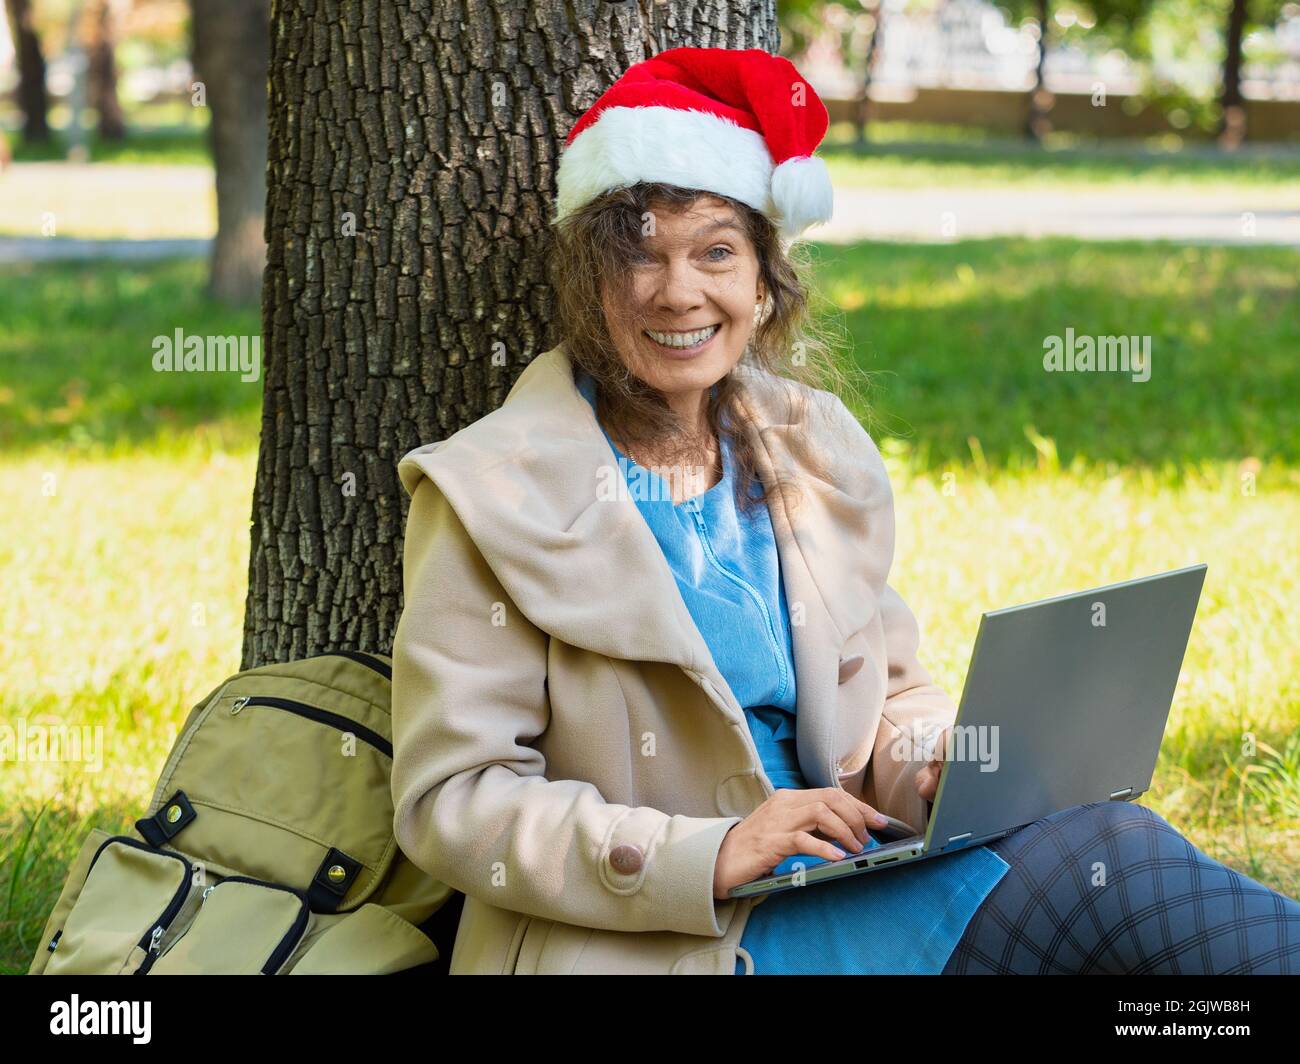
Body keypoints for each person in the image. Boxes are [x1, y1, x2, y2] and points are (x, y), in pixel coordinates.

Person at [389, 46, 1300, 975]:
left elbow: (892, 695)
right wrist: (705, 853)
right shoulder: (493, 490)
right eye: (640, 256)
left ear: (761, 281)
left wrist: (940, 764)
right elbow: (453, 797)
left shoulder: (806, 450)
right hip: (675, 934)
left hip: (849, 869)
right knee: (1109, 876)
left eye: (715, 252)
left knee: (1117, 850)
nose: (679, 291)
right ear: (590, 281)